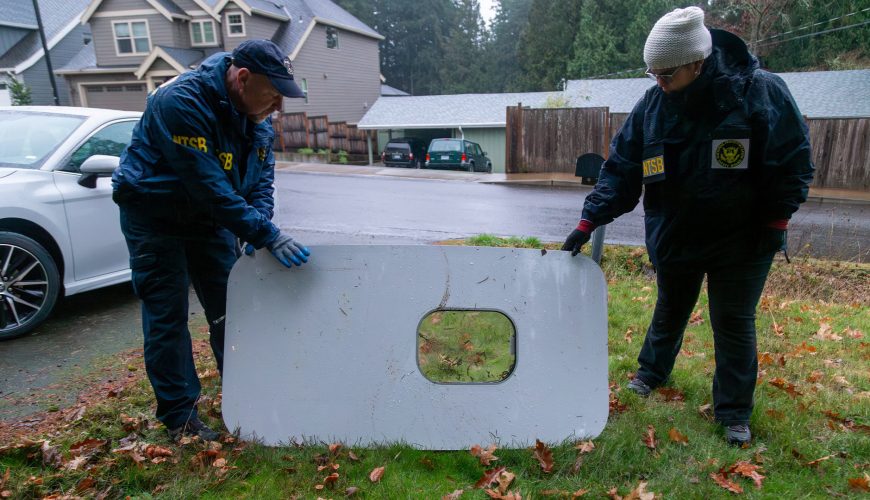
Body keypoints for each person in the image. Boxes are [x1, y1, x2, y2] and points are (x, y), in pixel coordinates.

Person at [562, 7, 813, 445]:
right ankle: (651, 373)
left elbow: (793, 162)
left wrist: (777, 219)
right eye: (652, 73)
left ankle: (734, 413)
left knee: (733, 320)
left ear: (697, 62)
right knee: (670, 308)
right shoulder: (653, 106)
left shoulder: (759, 93)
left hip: (743, 238)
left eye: (667, 73)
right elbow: (622, 168)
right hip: (676, 233)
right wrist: (590, 219)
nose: (658, 82)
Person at [113, 40, 311, 441]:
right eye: (273, 95)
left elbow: (260, 183)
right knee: (168, 315)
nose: (278, 108)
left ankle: (246, 395)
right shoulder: (180, 101)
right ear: (242, 78)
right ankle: (180, 417)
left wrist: (260, 226)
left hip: (210, 219)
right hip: (155, 215)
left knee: (232, 311)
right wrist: (265, 233)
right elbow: (209, 186)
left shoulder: (257, 120)